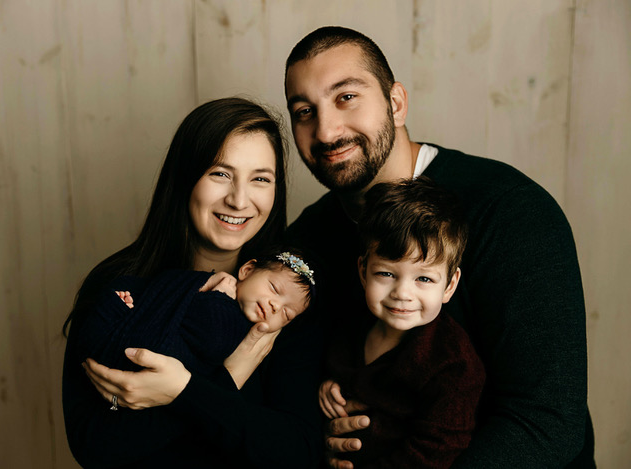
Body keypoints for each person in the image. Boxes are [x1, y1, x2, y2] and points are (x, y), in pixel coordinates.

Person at [283, 26, 594, 468]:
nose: (327, 129)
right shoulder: (312, 233)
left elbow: (547, 421)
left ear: (395, 103)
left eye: (346, 97)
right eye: (303, 111)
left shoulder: (509, 211)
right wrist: (319, 435)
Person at [63, 97, 323, 469]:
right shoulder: (118, 285)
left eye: (260, 179)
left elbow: (299, 452)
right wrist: (230, 376)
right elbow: (96, 447)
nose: (238, 200)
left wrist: (183, 390)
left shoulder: (287, 298)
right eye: (220, 173)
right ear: (186, 177)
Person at [319, 178, 486, 468]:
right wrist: (329, 388)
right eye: (386, 274)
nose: (402, 294)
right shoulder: (353, 323)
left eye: (424, 279)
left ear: (449, 286)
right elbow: (338, 367)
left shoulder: (452, 363)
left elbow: (437, 448)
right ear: (363, 271)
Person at [80, 247, 316, 381]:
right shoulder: (215, 284)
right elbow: (165, 289)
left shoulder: (241, 331)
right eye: (274, 289)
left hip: (152, 360)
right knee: (117, 301)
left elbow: (211, 338)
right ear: (247, 270)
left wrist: (217, 299)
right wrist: (204, 283)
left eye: (287, 313)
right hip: (122, 347)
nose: (275, 306)